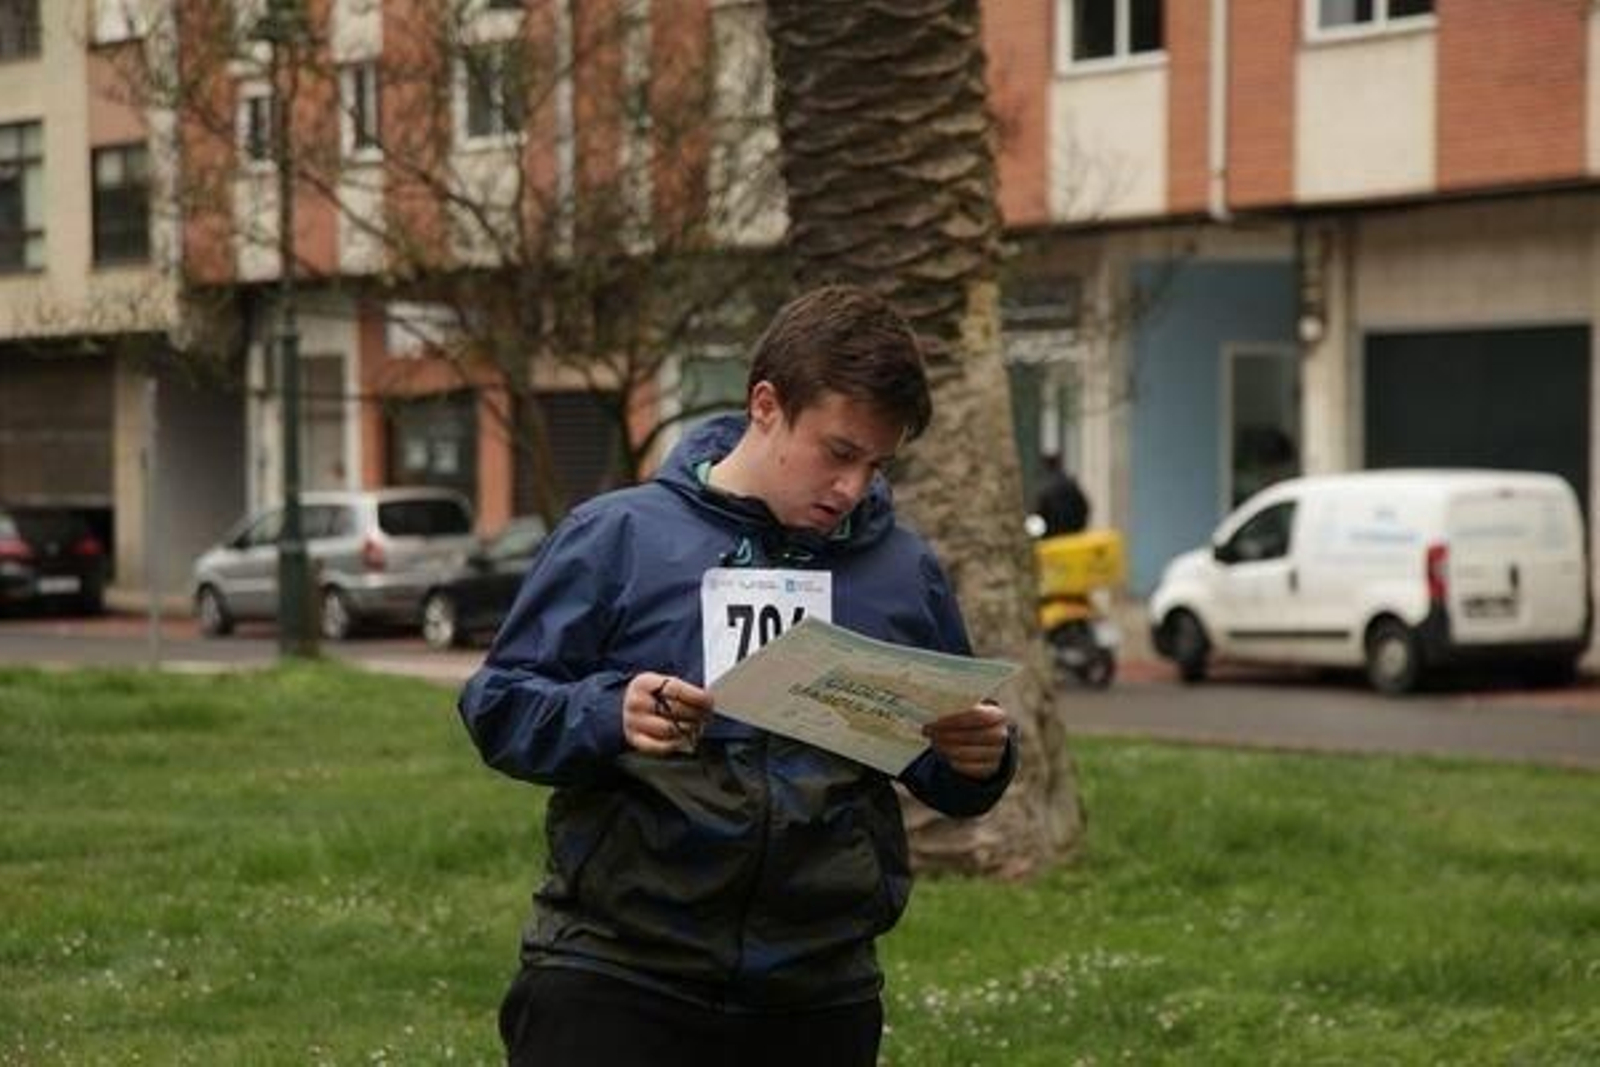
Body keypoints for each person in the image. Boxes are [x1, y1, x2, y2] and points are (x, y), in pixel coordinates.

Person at [457, 284, 1017, 1067]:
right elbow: (499, 704)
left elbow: (944, 767)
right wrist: (610, 712)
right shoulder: (617, 536)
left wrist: (980, 759)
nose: (853, 487)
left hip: (817, 991)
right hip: (618, 971)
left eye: (877, 464)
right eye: (838, 452)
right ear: (765, 405)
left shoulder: (903, 570)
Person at [1034, 451, 1090, 536]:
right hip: (1072, 535)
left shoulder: (1044, 487)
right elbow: (1084, 507)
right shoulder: (1070, 483)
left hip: (1053, 537)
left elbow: (1039, 515)